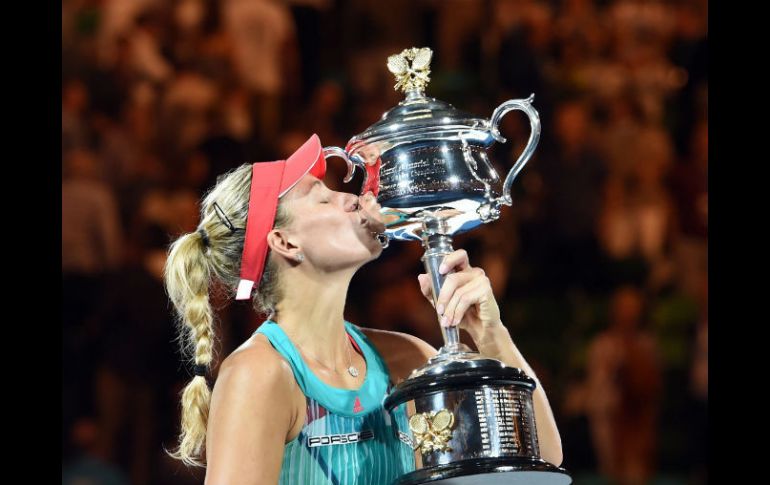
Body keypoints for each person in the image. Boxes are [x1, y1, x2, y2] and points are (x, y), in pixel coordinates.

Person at [164, 134, 564, 484]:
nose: (353, 198)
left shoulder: (406, 357)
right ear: (285, 242)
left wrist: (491, 333)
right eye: (323, 197)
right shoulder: (259, 374)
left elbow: (540, 456)